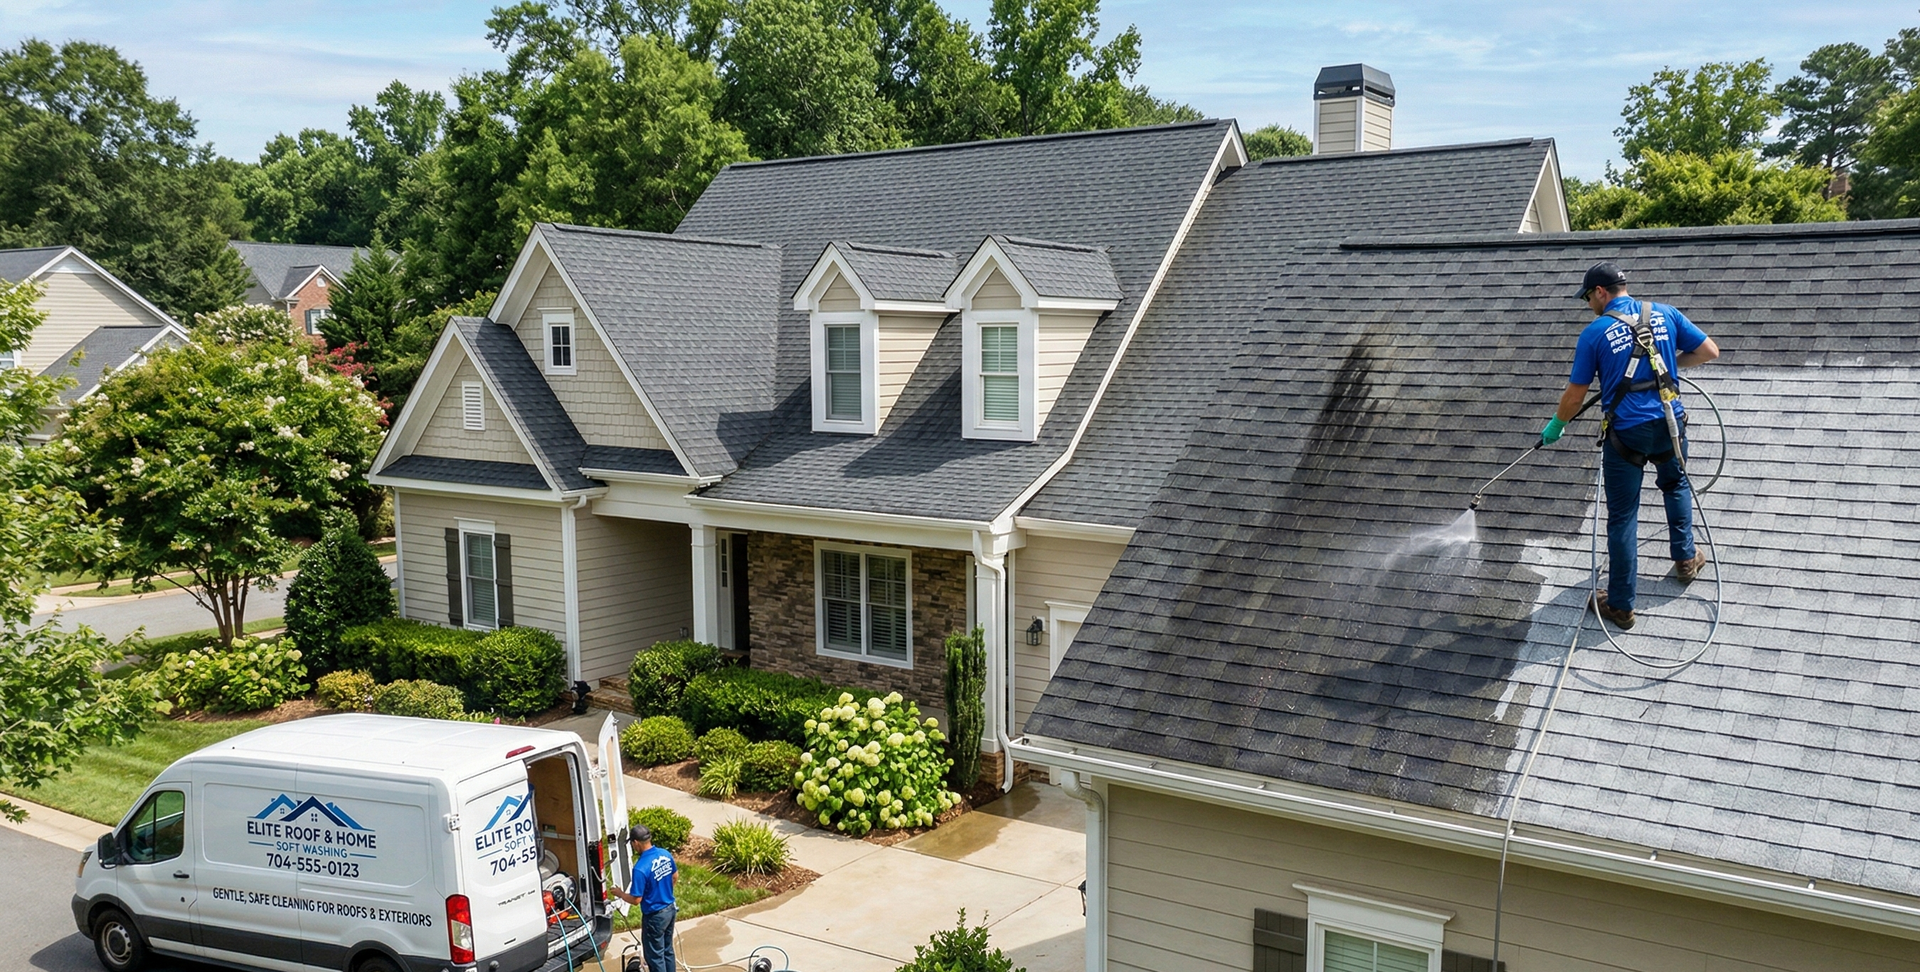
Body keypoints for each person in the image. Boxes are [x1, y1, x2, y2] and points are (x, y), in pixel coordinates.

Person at [1541, 262, 1720, 630]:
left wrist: (1557, 425)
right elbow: (1709, 351)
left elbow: (1576, 395)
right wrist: (1666, 366)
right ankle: (1686, 560)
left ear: (1602, 292)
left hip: (1627, 434)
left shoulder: (1595, 333)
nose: (1589, 303)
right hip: (1671, 424)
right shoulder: (1665, 313)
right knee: (1676, 484)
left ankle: (1621, 605)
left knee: (1623, 516)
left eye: (1589, 297)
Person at [612, 825, 676, 971]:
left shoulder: (640, 868)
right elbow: (675, 876)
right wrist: (663, 892)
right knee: (667, 950)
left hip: (655, 917)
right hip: (670, 909)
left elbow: (636, 900)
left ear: (635, 843)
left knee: (655, 957)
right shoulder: (665, 854)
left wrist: (620, 893)